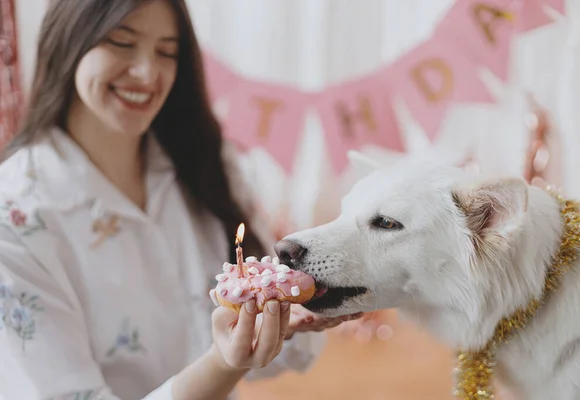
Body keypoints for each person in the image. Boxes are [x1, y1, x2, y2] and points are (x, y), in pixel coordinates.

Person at [0, 1, 363, 399]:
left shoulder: (205, 163)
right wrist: (223, 364)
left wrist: (284, 320)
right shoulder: (15, 218)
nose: (147, 72)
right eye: (121, 42)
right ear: (67, 42)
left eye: (167, 51)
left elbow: (263, 354)